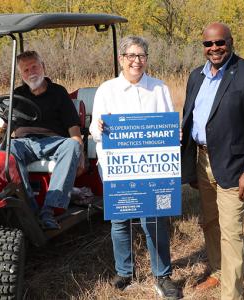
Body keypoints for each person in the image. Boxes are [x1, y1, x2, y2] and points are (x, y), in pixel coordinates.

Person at [180, 23, 244, 299]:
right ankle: (218, 271)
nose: (214, 48)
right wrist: (190, 167)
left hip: (234, 165)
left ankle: (231, 295)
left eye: (220, 42)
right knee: (210, 222)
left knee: (231, 232)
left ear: (230, 42)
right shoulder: (196, 76)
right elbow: (190, 117)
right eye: (208, 44)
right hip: (202, 159)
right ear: (203, 47)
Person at [89, 36, 180, 299]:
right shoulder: (107, 89)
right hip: (117, 166)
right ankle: (124, 272)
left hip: (151, 167)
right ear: (121, 59)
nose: (136, 61)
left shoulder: (160, 88)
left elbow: (167, 126)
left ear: (146, 59)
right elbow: (95, 128)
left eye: (141, 56)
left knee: (154, 220)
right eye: (131, 56)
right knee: (120, 220)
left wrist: (175, 133)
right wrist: (100, 128)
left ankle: (162, 275)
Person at [2, 50, 84, 230]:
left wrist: (80, 151)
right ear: (21, 74)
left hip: (53, 142)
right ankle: (29, 207)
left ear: (43, 67)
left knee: (72, 145)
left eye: (34, 67)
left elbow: (73, 126)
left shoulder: (58, 92)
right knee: (9, 148)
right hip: (24, 143)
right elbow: (6, 126)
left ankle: (49, 210)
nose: (31, 72)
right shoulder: (17, 94)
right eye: (26, 70)